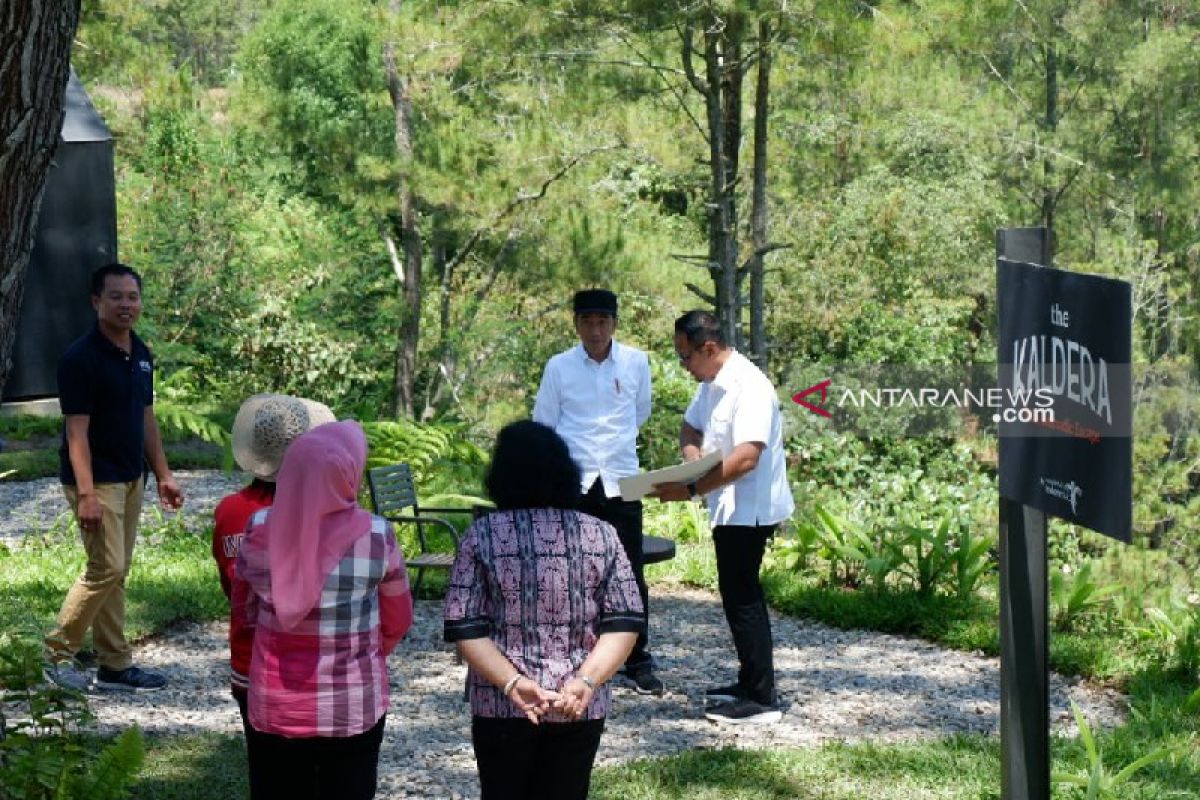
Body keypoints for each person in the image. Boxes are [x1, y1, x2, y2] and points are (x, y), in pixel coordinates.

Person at [444, 420, 644, 800]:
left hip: (500, 703)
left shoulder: (482, 534)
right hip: (578, 703)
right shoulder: (601, 533)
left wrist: (512, 683)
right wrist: (586, 681)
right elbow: (624, 622)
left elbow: (465, 627)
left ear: (500, 476)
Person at [235, 420, 412, 800]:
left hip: (275, 706)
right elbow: (398, 621)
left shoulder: (259, 528)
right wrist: (361, 653)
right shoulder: (377, 536)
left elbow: (245, 612)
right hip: (352, 705)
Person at [649, 310, 795, 725]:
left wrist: (690, 488)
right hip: (726, 506)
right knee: (735, 596)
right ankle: (749, 683)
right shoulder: (711, 383)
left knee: (744, 598)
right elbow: (690, 427)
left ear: (709, 348)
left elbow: (747, 458)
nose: (684, 365)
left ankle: (763, 699)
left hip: (750, 509)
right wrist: (691, 460)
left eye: (685, 357)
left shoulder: (749, 387)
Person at [45, 263, 183, 693]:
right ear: (96, 301)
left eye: (133, 296)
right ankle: (53, 656)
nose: (127, 304)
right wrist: (86, 494)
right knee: (106, 567)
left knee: (116, 574)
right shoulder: (79, 360)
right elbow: (76, 433)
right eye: (117, 296)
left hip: (130, 477)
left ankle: (114, 666)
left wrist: (162, 474)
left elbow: (146, 418)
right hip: (96, 482)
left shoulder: (140, 353)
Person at [531, 288, 662, 696]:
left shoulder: (637, 362)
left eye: (602, 321)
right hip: (576, 481)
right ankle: (573, 654)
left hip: (622, 478)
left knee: (630, 571)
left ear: (614, 323)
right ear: (576, 323)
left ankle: (638, 657)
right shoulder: (559, 367)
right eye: (587, 321)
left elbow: (640, 413)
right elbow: (544, 423)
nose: (595, 329)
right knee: (570, 570)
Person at [212, 393, 335, 780]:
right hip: (315, 665)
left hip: (250, 662)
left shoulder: (230, 511)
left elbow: (229, 588)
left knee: (269, 775)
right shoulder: (325, 513)